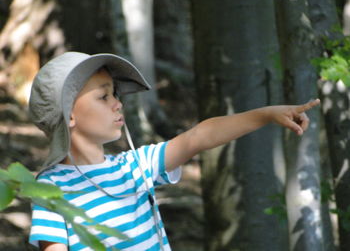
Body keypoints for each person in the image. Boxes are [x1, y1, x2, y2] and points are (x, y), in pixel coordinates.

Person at [28, 52, 320, 251]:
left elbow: (199, 136)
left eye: (115, 94)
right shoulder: (52, 187)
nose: (118, 103)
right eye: (103, 96)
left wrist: (266, 114)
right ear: (68, 115)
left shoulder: (135, 166)